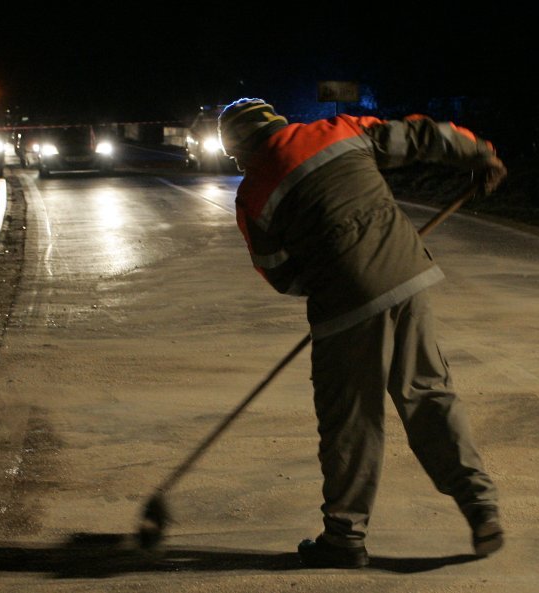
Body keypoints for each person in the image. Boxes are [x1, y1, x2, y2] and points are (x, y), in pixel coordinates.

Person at [217, 98, 508, 569]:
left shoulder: (253, 195)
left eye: (236, 156)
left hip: (343, 304)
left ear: (240, 148)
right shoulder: (339, 130)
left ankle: (345, 538)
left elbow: (276, 272)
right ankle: (481, 510)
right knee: (429, 396)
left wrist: (332, 277)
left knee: (351, 421)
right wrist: (480, 155)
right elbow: (421, 135)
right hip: (407, 275)